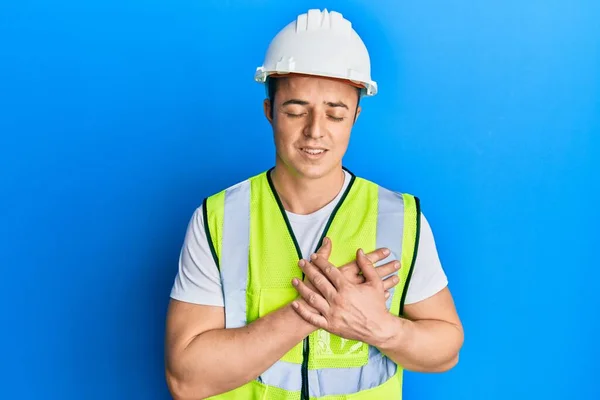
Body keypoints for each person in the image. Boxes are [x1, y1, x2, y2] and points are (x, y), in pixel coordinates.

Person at [165, 8, 463, 400]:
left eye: (335, 114)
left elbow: (445, 351)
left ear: (355, 116)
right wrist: (315, 309)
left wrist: (379, 327)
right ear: (270, 112)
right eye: (295, 110)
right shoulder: (218, 218)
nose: (315, 131)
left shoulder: (399, 218)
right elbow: (186, 380)